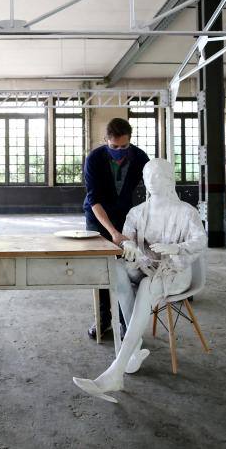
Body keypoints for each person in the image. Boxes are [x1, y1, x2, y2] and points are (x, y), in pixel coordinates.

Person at [73, 158, 207, 402]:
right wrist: (129, 246)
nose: (152, 181)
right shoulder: (138, 212)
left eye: (157, 177)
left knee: (146, 286)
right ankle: (133, 349)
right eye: (148, 177)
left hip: (175, 271)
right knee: (117, 270)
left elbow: (201, 240)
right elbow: (127, 238)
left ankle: (115, 372)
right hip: (146, 266)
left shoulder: (186, 212)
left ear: (168, 179)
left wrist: (175, 247)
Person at [83, 117, 150, 339]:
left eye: (124, 146)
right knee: (100, 266)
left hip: (126, 215)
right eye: (114, 147)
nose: (119, 151)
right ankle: (103, 319)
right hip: (97, 216)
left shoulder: (140, 158)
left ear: (130, 141)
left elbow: (151, 192)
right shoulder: (94, 159)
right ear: (106, 140)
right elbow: (94, 201)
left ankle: (125, 320)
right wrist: (113, 233)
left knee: (126, 267)